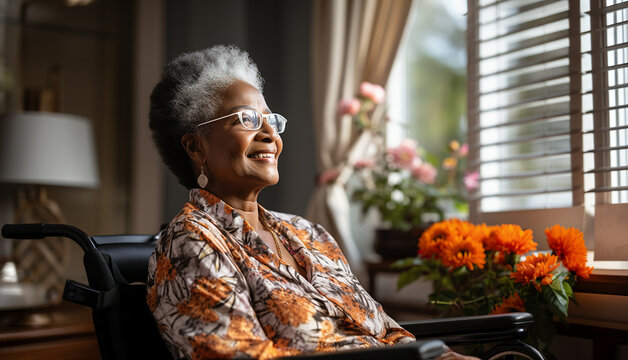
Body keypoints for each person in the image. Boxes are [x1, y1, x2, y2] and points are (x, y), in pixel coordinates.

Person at [146, 45, 476, 360]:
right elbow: (236, 355)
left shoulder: (309, 232)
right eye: (245, 119)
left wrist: (446, 356)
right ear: (195, 147)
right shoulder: (192, 243)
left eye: (271, 121)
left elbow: (385, 330)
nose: (269, 135)